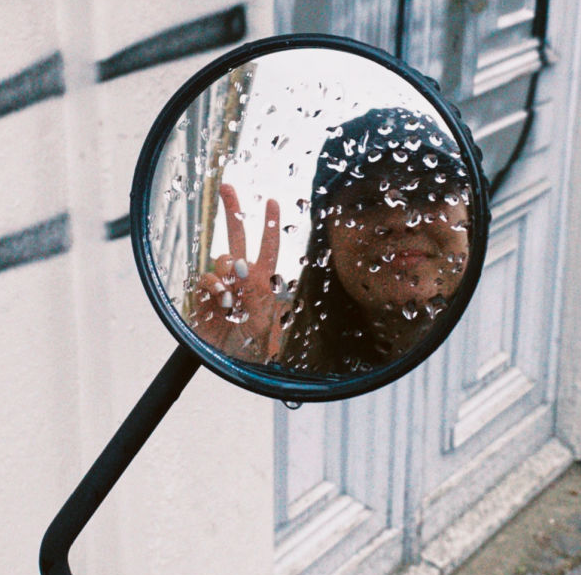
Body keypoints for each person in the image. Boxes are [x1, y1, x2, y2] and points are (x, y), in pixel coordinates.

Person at [188, 107, 474, 374]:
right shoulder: (302, 374)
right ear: (327, 245)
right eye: (365, 203)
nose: (400, 221)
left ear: (470, 218)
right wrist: (239, 359)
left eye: (428, 193)